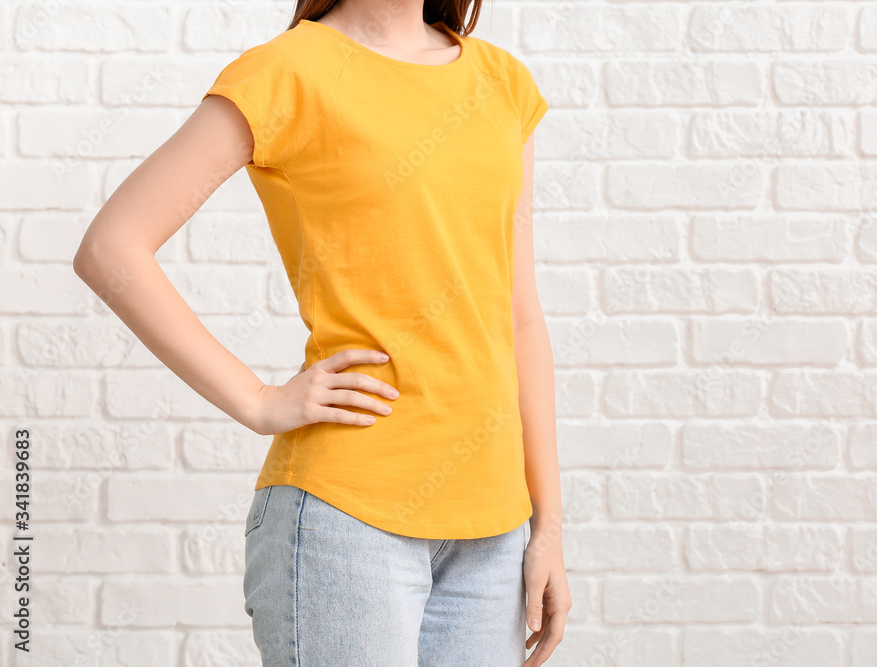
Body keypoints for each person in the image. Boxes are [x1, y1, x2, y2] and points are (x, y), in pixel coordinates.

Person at [73, 0, 571, 665]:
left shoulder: (503, 82)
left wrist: (549, 527)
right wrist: (256, 399)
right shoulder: (288, 72)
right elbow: (112, 247)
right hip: (347, 520)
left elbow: (520, 315)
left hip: (496, 531)